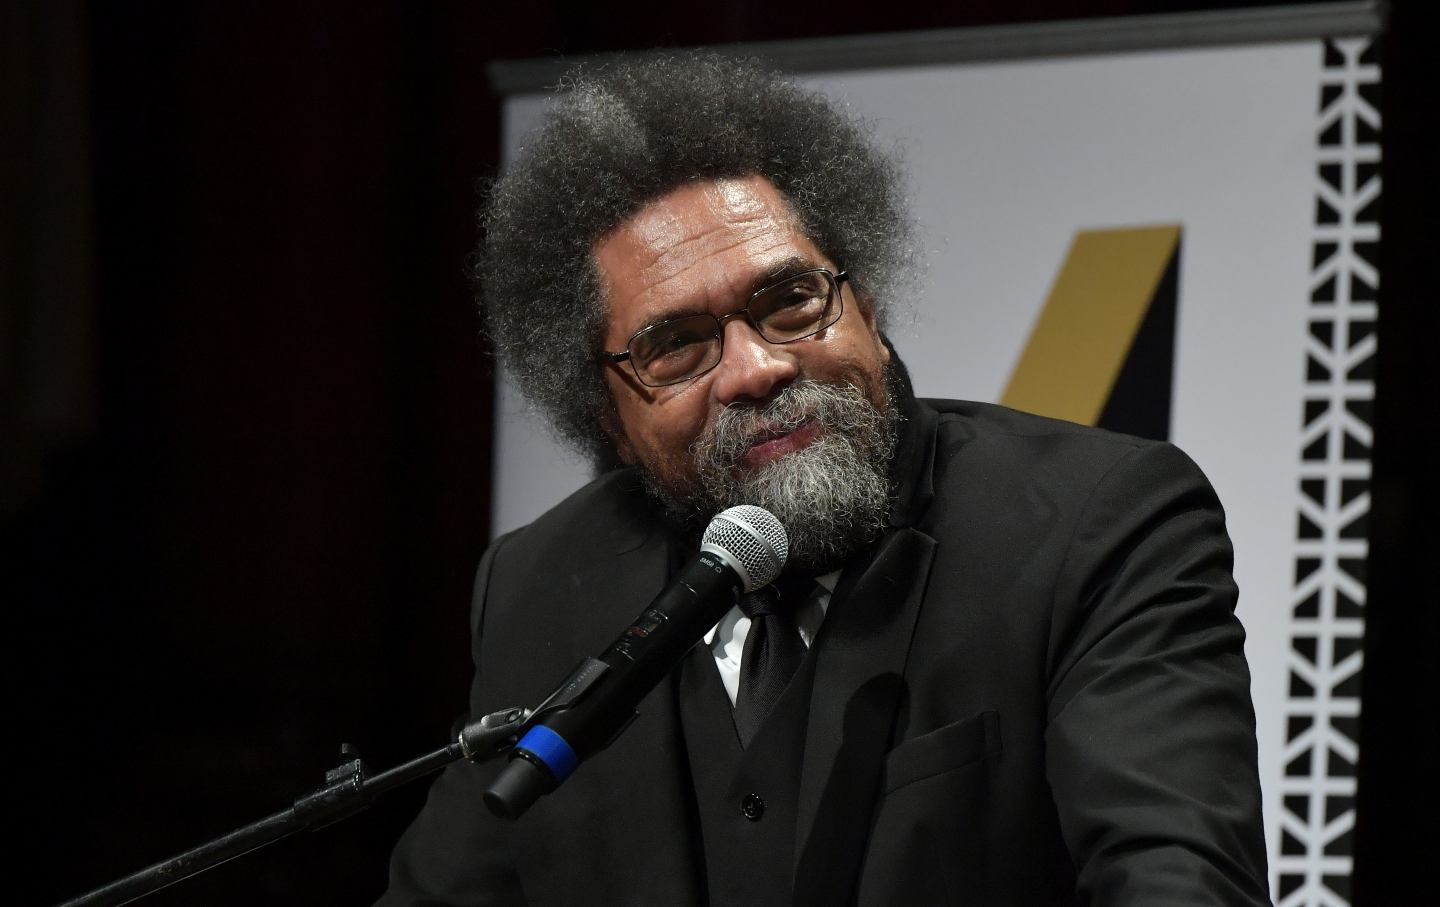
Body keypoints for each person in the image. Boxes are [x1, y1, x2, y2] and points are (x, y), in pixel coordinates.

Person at [379, 54, 1269, 906]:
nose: (756, 367)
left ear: (867, 307)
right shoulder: (542, 584)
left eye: (789, 300)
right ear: (609, 413)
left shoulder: (1095, 524)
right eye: (677, 344)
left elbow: (1177, 882)